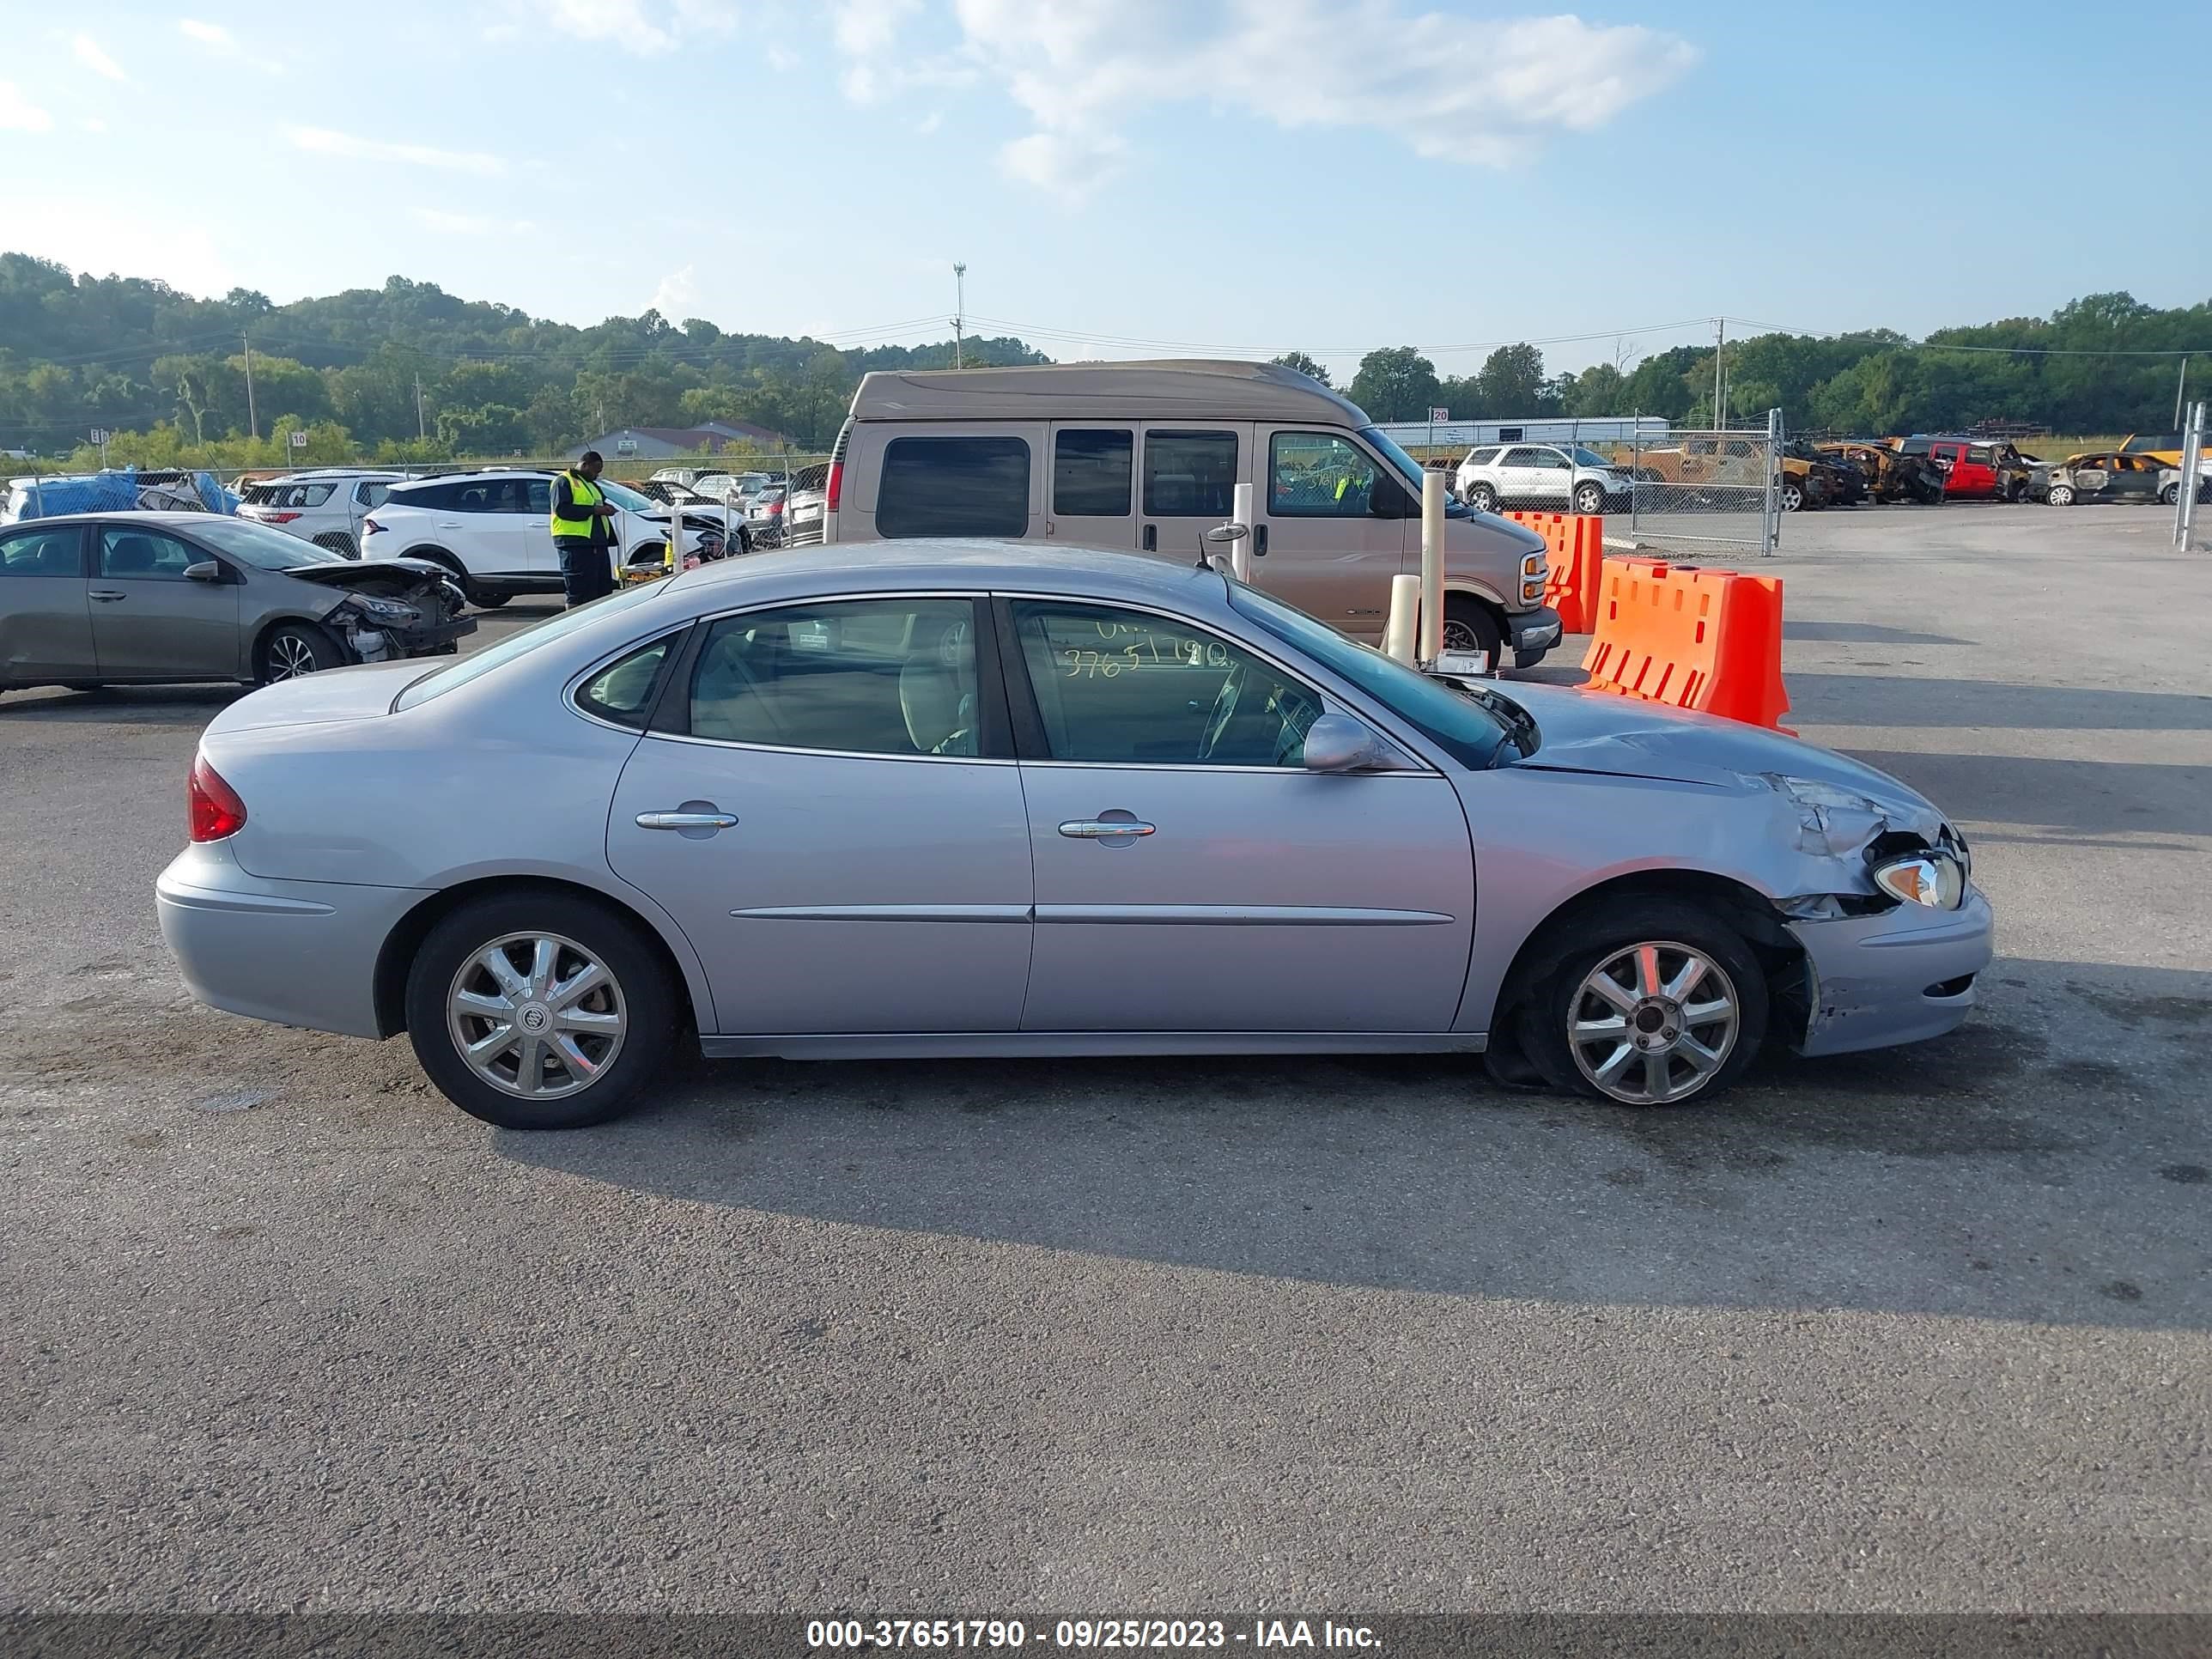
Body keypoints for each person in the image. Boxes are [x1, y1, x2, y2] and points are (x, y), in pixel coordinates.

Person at [550, 451, 619, 607]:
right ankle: (576, 625)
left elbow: (599, 505)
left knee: (602, 590)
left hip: (596, 545)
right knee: (579, 592)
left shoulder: (590, 485)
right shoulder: (563, 481)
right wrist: (595, 510)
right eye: (595, 470)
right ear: (584, 465)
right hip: (575, 544)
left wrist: (607, 508)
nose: (596, 475)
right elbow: (562, 510)